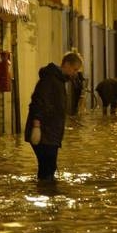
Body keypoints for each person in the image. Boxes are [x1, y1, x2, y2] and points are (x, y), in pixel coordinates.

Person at [24, 51, 83, 182]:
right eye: (74, 70)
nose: (74, 74)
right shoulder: (50, 79)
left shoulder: (59, 81)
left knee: (47, 169)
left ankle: (45, 192)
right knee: (48, 170)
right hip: (45, 133)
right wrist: (36, 126)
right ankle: (48, 194)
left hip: (51, 134)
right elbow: (38, 101)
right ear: (66, 64)